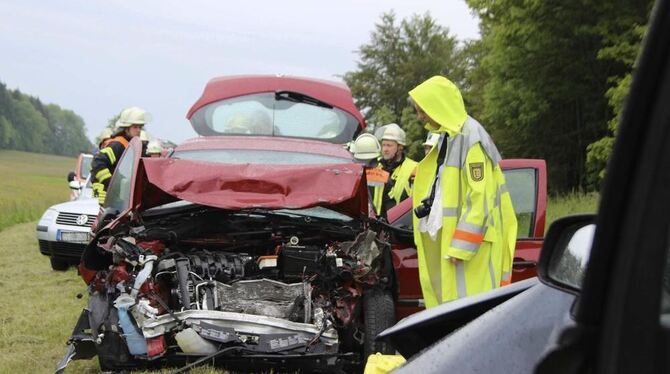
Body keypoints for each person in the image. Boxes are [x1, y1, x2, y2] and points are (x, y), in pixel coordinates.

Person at [409, 76, 517, 308]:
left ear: (438, 105)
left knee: (473, 316)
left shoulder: (470, 138)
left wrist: (462, 246)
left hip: (471, 251)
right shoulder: (452, 136)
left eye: (422, 110)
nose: (420, 117)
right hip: (460, 248)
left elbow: (480, 199)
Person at [90, 107, 149, 205]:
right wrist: (111, 183)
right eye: (135, 127)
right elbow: (98, 162)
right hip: (109, 200)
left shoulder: (130, 145)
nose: (139, 130)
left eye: (140, 127)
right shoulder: (118, 145)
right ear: (126, 128)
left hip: (121, 199)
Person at [372, 124, 417, 218]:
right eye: (383, 145)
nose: (385, 149)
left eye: (389, 145)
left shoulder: (413, 168)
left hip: (400, 225)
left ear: (400, 147)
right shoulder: (378, 167)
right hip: (377, 223)